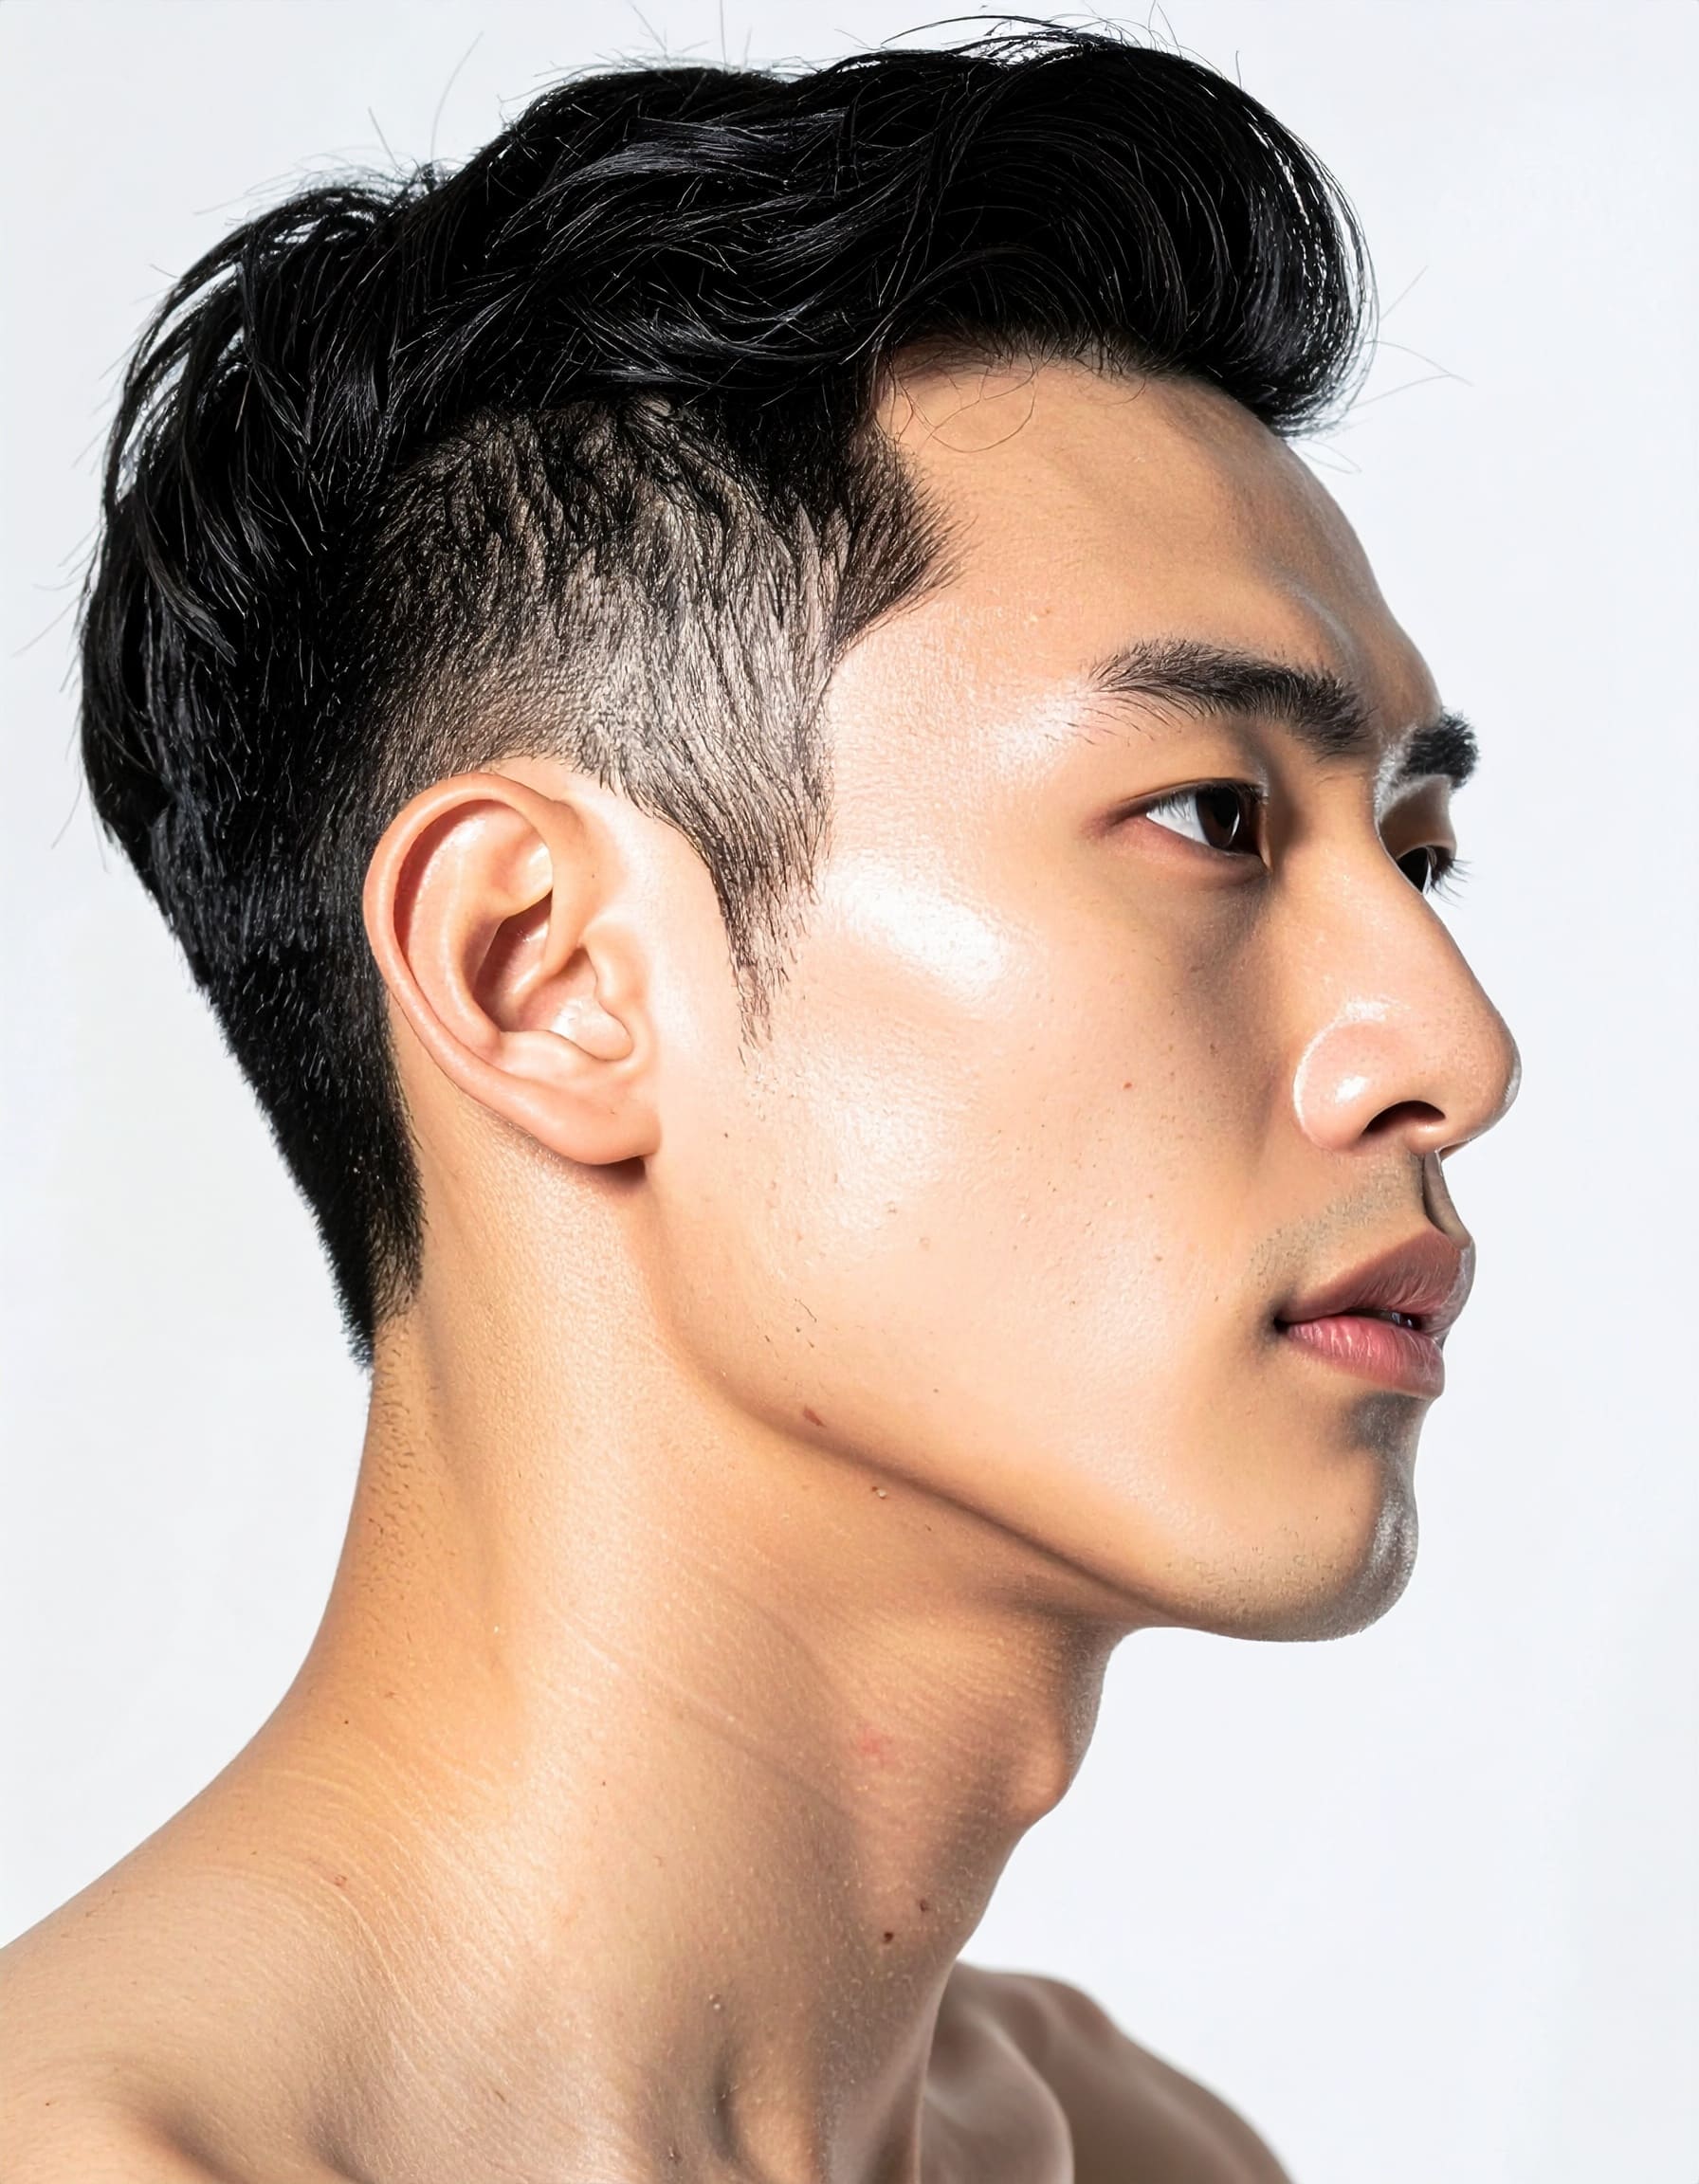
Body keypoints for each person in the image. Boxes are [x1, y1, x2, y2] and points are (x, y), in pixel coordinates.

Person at [0, 26, 1519, 2182]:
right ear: (546, 973)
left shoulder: (1136, 2149)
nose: (1451, 1048)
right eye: (1212, 816)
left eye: (1417, 855)